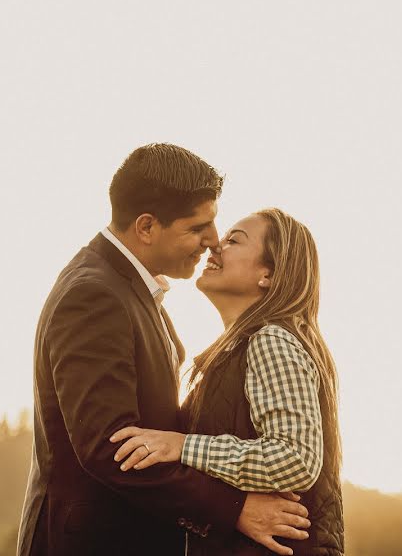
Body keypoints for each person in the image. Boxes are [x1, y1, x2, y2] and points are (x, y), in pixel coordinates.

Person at [17, 145, 311, 556]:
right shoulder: (94, 294)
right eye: (198, 228)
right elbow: (110, 447)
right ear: (147, 227)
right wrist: (234, 509)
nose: (212, 242)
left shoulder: (129, 291)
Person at [111, 208, 345, 556]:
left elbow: (296, 458)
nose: (214, 247)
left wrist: (183, 446)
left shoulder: (272, 340)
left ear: (268, 274)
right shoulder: (240, 349)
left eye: (234, 240)